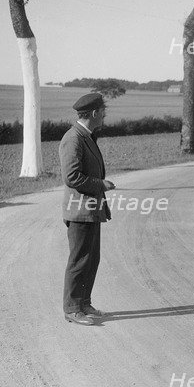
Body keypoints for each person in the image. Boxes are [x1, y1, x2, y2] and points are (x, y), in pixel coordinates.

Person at [59, 93, 115, 325]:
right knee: (80, 260)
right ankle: (72, 309)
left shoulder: (86, 136)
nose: (104, 115)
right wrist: (100, 185)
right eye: (103, 111)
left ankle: (84, 303)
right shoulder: (74, 138)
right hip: (80, 210)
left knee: (91, 259)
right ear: (94, 113)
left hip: (91, 209)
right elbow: (72, 176)